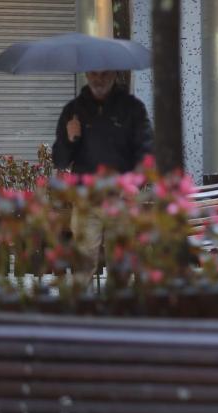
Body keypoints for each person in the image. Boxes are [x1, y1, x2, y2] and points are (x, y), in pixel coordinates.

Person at [53, 70, 154, 285]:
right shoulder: (73, 111)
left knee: (121, 267)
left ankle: (118, 312)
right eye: (94, 73)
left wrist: (136, 182)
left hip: (121, 197)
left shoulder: (132, 109)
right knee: (82, 264)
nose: (99, 79)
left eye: (105, 74)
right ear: (87, 74)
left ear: (114, 75)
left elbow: (146, 150)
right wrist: (70, 139)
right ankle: (83, 314)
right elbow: (60, 159)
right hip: (86, 199)